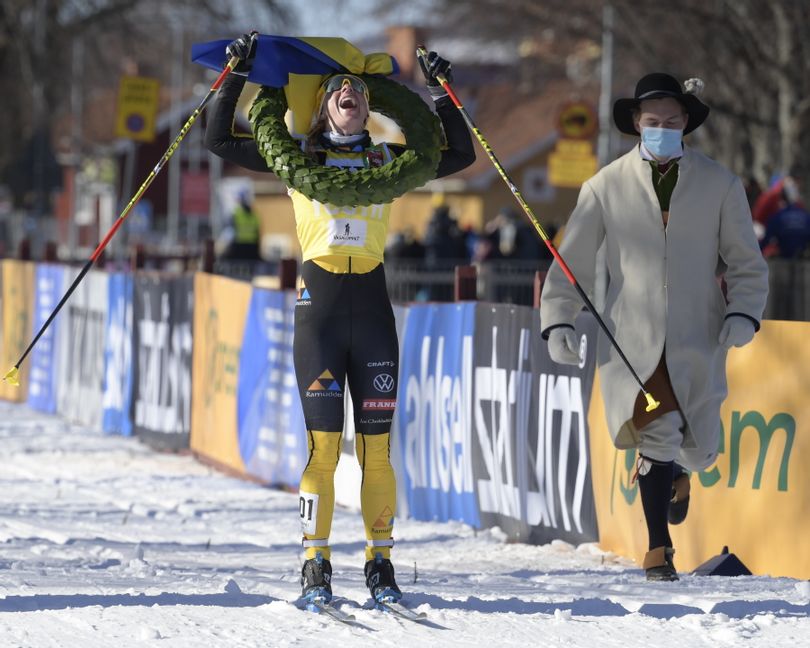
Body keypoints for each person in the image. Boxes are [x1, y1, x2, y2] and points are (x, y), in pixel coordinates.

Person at [205, 34, 475, 604]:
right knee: (322, 450)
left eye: (356, 86)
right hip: (320, 315)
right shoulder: (296, 157)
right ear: (324, 104)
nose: (348, 91)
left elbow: (460, 155)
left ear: (370, 105)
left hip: (373, 311)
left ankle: (381, 563)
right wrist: (241, 74)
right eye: (336, 87)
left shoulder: (388, 160)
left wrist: (442, 92)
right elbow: (217, 139)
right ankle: (315, 561)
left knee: (376, 451)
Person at [539, 73, 768, 581]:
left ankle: (681, 474)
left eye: (670, 121)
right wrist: (558, 319)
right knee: (657, 433)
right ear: (636, 126)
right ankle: (658, 548)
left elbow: (746, 263)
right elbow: (570, 260)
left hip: (697, 332)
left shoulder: (720, 184)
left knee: (695, 442)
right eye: (651, 122)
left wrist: (743, 311)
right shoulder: (605, 186)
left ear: (685, 123)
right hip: (630, 338)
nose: (660, 129)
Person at [759, 177, 810, 258]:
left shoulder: (778, 217)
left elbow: (765, 241)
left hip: (784, 260)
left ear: (782, 198)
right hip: (802, 260)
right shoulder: (806, 216)